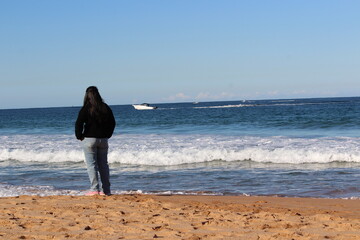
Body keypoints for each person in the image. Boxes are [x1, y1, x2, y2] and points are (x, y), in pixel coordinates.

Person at [75, 86, 116, 196]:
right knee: (103, 165)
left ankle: (95, 189)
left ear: (87, 95)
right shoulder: (105, 107)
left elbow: (78, 123)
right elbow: (112, 122)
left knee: (92, 165)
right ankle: (106, 190)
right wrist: (108, 134)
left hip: (89, 139)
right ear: (98, 94)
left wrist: (79, 136)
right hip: (103, 139)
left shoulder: (86, 108)